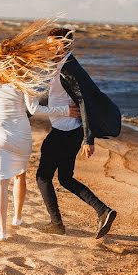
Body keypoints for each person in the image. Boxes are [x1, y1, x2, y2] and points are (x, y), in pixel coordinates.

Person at [0, 21, 73, 241]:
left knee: (0, 183)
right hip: (21, 134)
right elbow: (34, 109)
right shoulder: (23, 79)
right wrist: (66, 110)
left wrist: (3, 122)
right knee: (20, 176)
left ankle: (2, 232)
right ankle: (18, 218)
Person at [35, 27, 120, 239]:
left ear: (64, 45)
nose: (48, 48)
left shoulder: (70, 68)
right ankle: (103, 211)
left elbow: (85, 102)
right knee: (65, 178)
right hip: (69, 130)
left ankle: (56, 225)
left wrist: (88, 139)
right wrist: (27, 111)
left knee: (43, 176)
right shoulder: (62, 65)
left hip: (66, 131)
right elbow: (55, 95)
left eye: (52, 44)